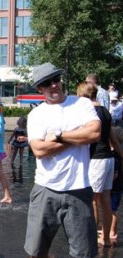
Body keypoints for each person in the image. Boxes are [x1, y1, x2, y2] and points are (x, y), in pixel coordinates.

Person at [24, 63, 101, 258]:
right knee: (36, 251)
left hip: (79, 189)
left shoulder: (82, 104)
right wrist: (77, 138)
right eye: (47, 83)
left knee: (84, 253)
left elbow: (94, 132)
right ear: (39, 88)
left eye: (56, 80)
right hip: (45, 188)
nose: (53, 85)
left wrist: (58, 136)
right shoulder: (36, 114)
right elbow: (39, 150)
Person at [77, 82, 123, 248]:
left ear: (83, 96)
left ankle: (91, 239)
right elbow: (114, 140)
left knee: (94, 201)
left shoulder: (90, 112)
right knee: (106, 200)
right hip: (109, 159)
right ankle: (104, 238)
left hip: (96, 159)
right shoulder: (105, 111)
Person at [110, 126, 123, 242]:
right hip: (118, 188)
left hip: (114, 188)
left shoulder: (115, 156)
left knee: (112, 210)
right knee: (112, 209)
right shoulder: (119, 155)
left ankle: (112, 231)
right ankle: (110, 229)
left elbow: (115, 175)